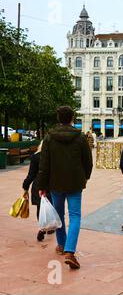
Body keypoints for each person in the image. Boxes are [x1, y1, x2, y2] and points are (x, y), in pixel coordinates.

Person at [38, 106, 93, 270]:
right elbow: (88, 161)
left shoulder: (49, 137)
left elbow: (44, 163)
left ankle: (62, 245)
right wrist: (85, 177)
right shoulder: (80, 137)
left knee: (59, 215)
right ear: (72, 118)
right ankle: (70, 251)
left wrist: (42, 185)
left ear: (58, 118)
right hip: (75, 183)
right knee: (75, 216)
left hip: (55, 183)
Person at [22, 141, 54, 242]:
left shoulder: (35, 157)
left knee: (40, 207)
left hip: (38, 185)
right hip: (52, 185)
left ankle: (42, 227)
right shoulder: (54, 157)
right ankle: (50, 227)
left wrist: (25, 186)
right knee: (51, 206)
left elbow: (31, 174)